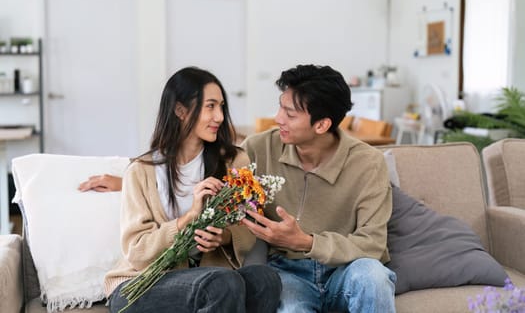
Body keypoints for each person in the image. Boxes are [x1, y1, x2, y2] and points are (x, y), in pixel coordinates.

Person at [104, 66, 281, 313]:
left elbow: (247, 226)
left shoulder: (234, 162)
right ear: (180, 111)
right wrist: (188, 219)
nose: (219, 116)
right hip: (140, 283)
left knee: (265, 280)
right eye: (210, 106)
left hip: (211, 279)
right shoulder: (141, 171)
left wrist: (225, 236)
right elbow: (136, 252)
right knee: (220, 283)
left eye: (221, 106)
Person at [239, 64, 396, 313]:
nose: (278, 118)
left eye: (290, 114)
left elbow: (373, 244)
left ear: (321, 125)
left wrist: (307, 242)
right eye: (281, 106)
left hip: (345, 269)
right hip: (286, 271)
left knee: (373, 277)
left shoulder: (368, 162)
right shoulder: (258, 148)